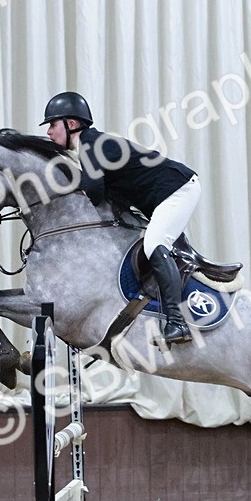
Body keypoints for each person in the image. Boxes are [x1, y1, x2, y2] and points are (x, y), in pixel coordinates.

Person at [41, 91, 197, 345]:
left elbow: (94, 191)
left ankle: (178, 323)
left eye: (52, 124)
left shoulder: (90, 144)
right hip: (165, 194)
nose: (48, 132)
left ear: (71, 124)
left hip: (178, 188)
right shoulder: (91, 145)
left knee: (154, 244)